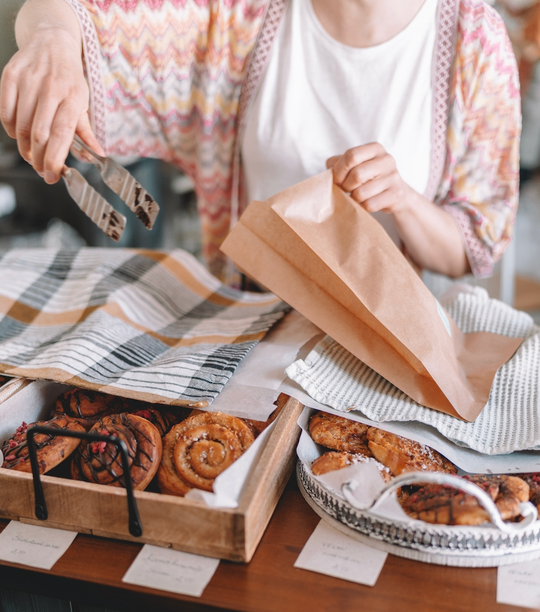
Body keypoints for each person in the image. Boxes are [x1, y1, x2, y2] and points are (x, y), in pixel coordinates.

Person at [0, 0, 520, 284]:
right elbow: (76, 12)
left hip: (386, 349)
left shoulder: (476, 42)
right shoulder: (235, 17)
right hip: (244, 327)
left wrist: (404, 201)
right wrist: (54, 39)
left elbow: (467, 250)